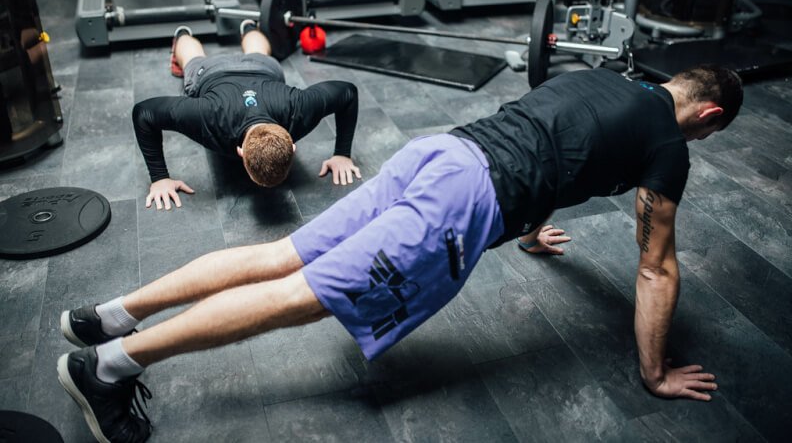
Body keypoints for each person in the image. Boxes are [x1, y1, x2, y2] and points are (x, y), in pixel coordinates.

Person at [57, 64, 743, 442]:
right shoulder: (667, 147)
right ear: (708, 118)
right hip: (464, 200)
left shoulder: (598, 77)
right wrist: (654, 374)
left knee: (282, 254)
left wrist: (532, 230)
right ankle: (109, 368)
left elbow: (559, 143)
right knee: (301, 297)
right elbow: (656, 268)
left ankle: (106, 316)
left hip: (443, 152)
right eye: (708, 135)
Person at [133, 20, 361, 211]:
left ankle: (238, 29)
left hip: (258, 67)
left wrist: (343, 154)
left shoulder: (300, 108)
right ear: (292, 145)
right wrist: (160, 177)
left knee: (251, 54)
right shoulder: (208, 116)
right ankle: (189, 34)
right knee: (192, 60)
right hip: (216, 71)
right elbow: (143, 113)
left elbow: (348, 92)